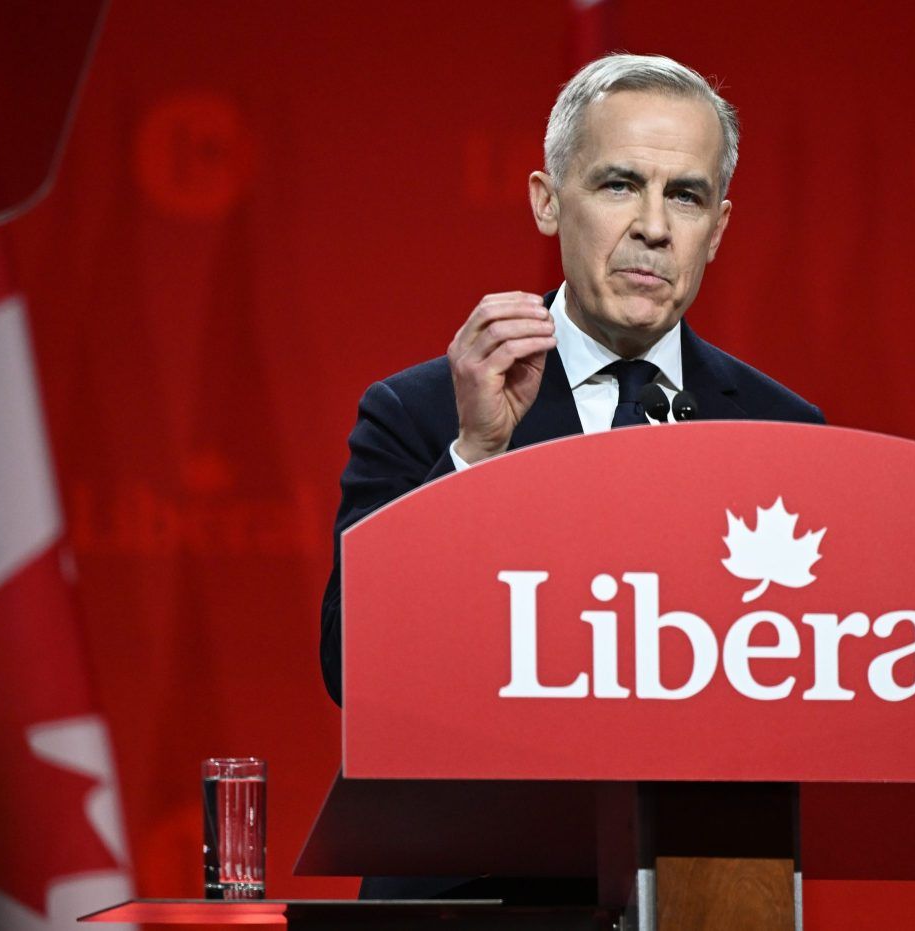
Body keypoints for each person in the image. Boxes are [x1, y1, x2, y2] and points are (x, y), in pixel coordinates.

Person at [318, 53, 824, 898]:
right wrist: (475, 459)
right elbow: (352, 670)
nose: (655, 227)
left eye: (686, 196)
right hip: (473, 900)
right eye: (621, 184)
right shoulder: (421, 415)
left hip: (711, 890)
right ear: (548, 202)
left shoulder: (787, 435)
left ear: (720, 227)